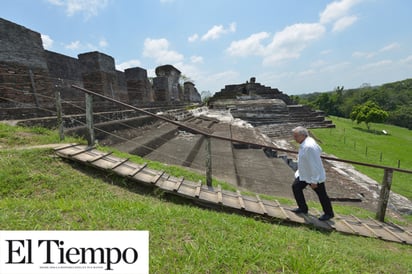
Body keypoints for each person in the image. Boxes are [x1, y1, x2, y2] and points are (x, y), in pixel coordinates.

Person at [291, 126, 334, 221]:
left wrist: (314, 180)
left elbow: (315, 165)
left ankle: (329, 213)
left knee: (322, 194)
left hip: (314, 176)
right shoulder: (306, 142)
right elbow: (319, 149)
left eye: (296, 136)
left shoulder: (309, 147)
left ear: (302, 135)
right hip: (305, 174)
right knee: (296, 187)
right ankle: (303, 208)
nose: (294, 138)